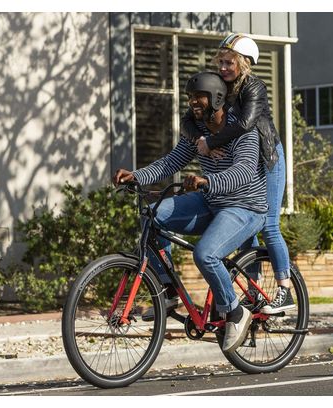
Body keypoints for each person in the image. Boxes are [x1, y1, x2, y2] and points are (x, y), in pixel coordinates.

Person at [114, 72, 267, 352]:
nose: (193, 102)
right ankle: (167, 289)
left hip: (244, 207)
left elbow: (244, 171)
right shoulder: (198, 129)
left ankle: (234, 311)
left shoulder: (242, 130)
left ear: (217, 98)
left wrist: (208, 181)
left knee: (205, 254)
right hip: (211, 201)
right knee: (152, 214)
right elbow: (172, 161)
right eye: (190, 98)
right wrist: (136, 176)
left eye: (199, 97)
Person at [180, 33, 293, 314]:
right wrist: (199, 142)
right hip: (242, 160)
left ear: (243, 63)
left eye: (229, 62)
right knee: (246, 234)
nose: (223, 67)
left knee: (268, 224)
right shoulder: (220, 86)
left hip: (267, 159)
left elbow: (244, 123)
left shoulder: (254, 87)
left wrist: (211, 142)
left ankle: (284, 289)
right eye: (221, 61)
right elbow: (188, 119)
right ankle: (253, 289)